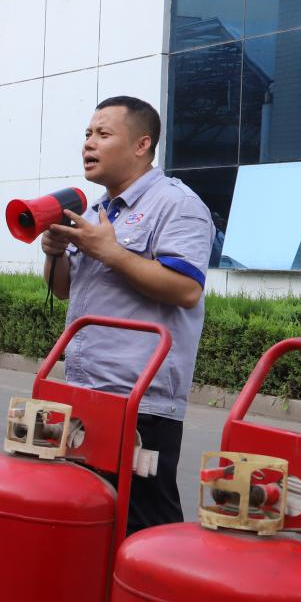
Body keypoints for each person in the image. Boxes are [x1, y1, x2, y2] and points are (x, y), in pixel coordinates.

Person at [42, 96, 214, 534]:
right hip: (83, 393)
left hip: (140, 403)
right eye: (87, 134)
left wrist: (110, 251)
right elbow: (64, 289)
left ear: (142, 145)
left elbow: (187, 289)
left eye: (103, 134)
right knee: (88, 520)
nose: (89, 143)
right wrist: (55, 253)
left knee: (144, 527)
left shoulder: (177, 204)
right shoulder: (97, 213)